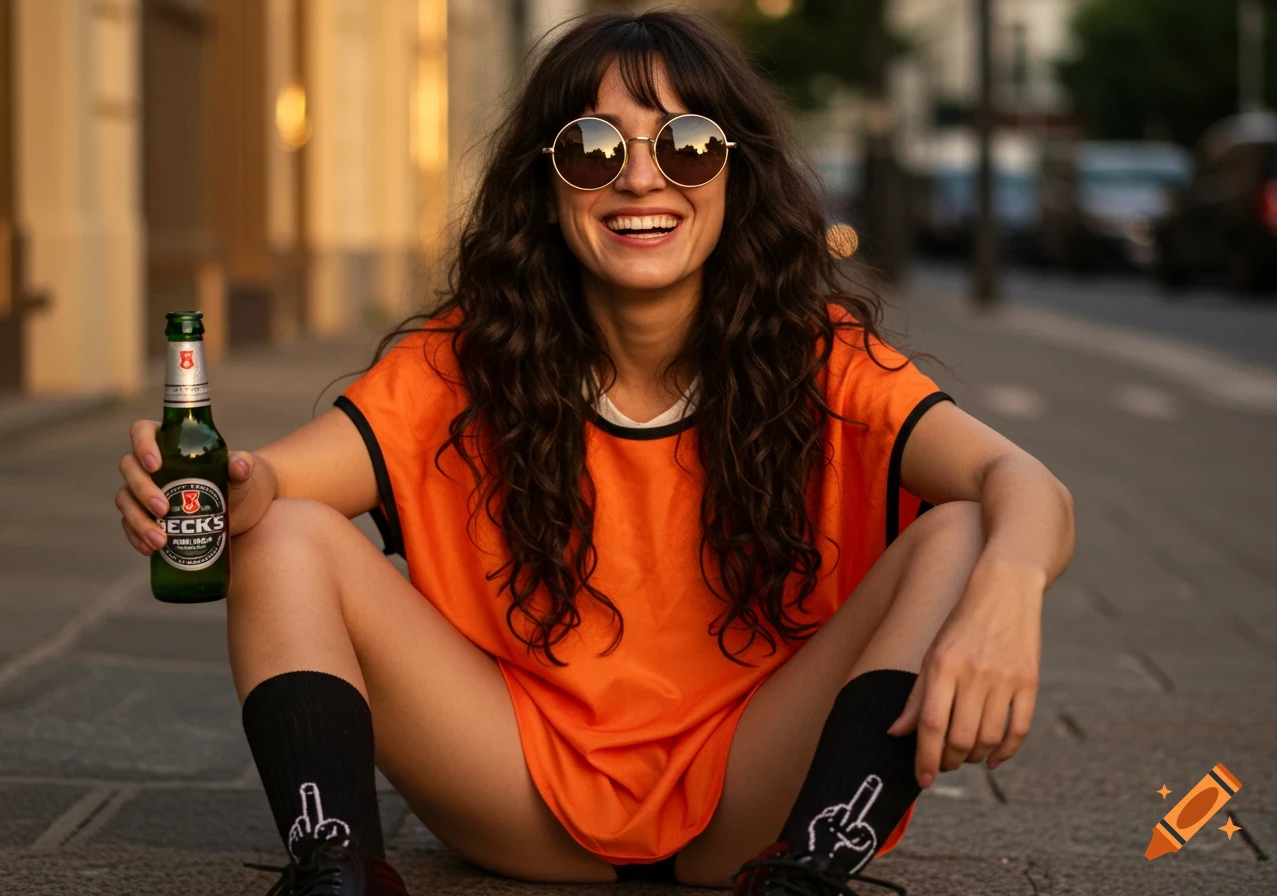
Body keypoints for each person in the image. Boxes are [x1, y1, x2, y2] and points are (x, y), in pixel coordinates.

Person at [114, 10, 1074, 896]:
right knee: (283, 536)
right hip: (518, 791)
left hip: (753, 798)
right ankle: (336, 869)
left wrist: (1006, 592)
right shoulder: (461, 362)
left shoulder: (824, 360)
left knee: (963, 533)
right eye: (593, 148)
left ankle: (813, 869)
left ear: (736, 175)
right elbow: (271, 486)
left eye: (689, 146)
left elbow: (1022, 484)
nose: (642, 178)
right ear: (546, 180)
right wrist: (212, 495)